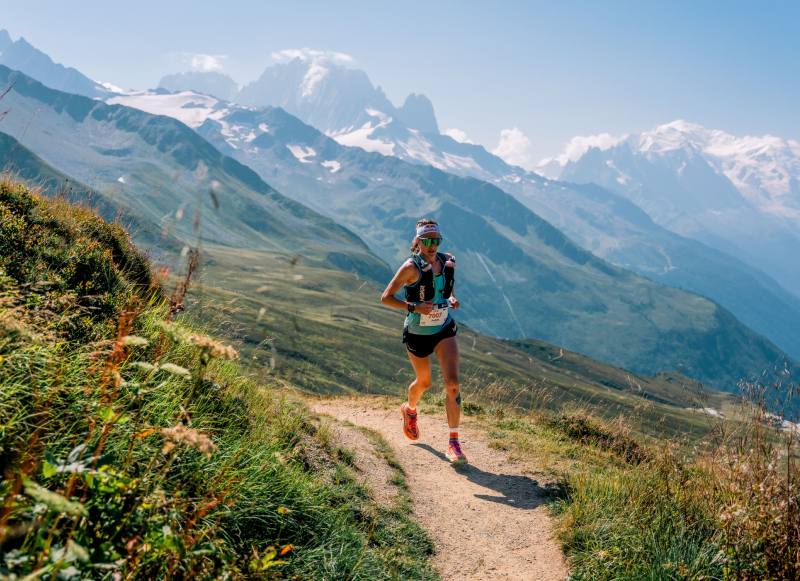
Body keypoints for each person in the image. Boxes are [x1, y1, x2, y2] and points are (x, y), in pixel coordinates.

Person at [380, 219, 466, 462]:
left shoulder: (447, 262)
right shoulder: (410, 267)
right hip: (418, 332)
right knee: (424, 384)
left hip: (443, 329)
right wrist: (414, 307)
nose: (432, 245)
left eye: (436, 240)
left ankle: (454, 443)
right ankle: (409, 411)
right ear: (417, 241)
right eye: (426, 241)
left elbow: (445, 289)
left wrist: (451, 299)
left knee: (453, 383)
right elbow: (386, 298)